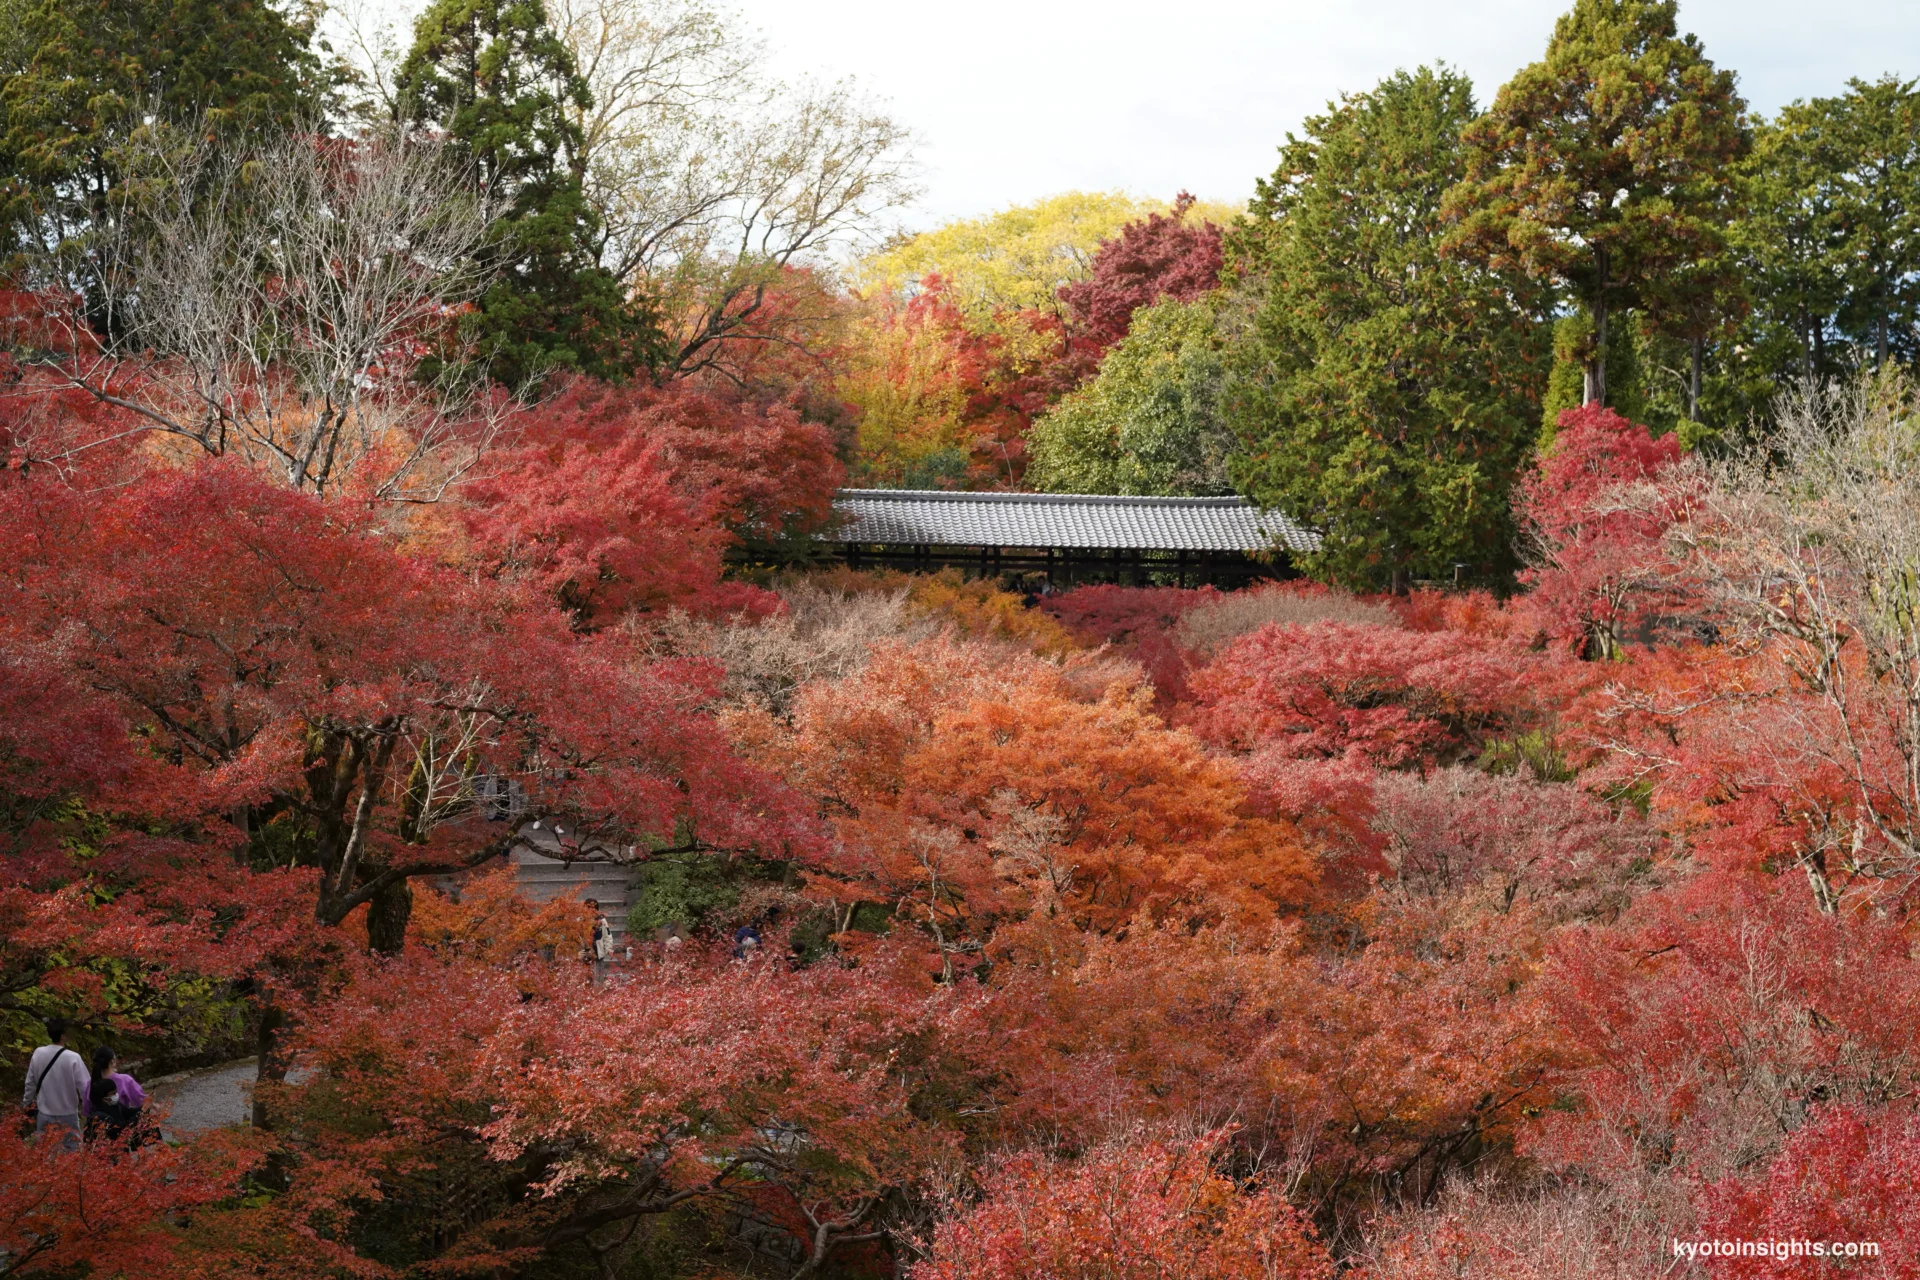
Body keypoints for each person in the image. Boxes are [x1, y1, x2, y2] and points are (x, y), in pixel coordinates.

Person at [19, 1017, 90, 1149]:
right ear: (63, 1036)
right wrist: (88, 1109)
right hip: (67, 1113)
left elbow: (30, 1083)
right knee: (70, 1151)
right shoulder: (73, 1057)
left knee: (45, 1151)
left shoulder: (38, 1053)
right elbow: (85, 1087)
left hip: (44, 1112)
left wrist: (27, 1104)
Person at [85, 1046, 147, 1144]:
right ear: (112, 1061)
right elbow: (140, 1100)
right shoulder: (125, 1080)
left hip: (98, 1134)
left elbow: (87, 1110)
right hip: (120, 1130)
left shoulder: (90, 1083)